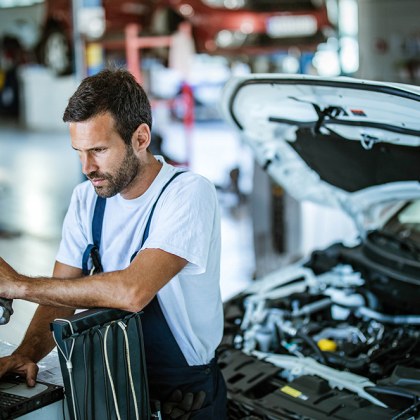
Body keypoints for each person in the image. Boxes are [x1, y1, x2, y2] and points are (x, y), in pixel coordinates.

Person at [0, 68, 227, 419]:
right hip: (114, 384)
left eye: (99, 150)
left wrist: (18, 285)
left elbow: (133, 292)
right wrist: (28, 352)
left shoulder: (187, 193)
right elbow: (62, 292)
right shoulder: (86, 199)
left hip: (184, 398)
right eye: (79, 151)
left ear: (140, 138)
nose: (86, 166)